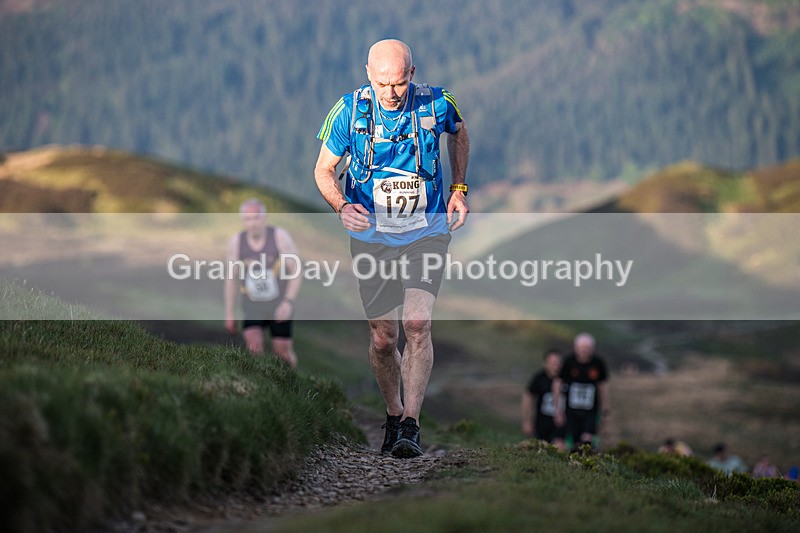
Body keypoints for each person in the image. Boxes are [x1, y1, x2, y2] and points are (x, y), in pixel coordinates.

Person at [314, 39, 470, 458]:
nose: (391, 92)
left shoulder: (437, 103)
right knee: (384, 338)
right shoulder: (348, 111)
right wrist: (342, 205)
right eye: (383, 83)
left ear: (412, 75)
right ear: (368, 74)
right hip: (372, 238)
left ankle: (411, 426)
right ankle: (393, 413)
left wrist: (457, 188)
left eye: (399, 83)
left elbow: (459, 132)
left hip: (427, 231)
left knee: (417, 324)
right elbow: (324, 170)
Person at [224, 199, 301, 367]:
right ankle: (261, 389)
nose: (252, 223)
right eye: (248, 219)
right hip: (251, 303)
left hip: (278, 303)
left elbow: (296, 271)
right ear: (242, 220)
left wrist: (288, 302)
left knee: (283, 354)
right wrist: (230, 312)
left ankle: (294, 389)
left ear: (264, 218)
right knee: (254, 350)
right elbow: (232, 279)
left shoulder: (280, 237)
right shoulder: (236, 242)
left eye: (256, 218)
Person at [552, 333, 609, 451]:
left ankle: (587, 462)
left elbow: (602, 386)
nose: (584, 351)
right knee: (573, 441)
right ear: (575, 348)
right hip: (571, 410)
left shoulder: (598, 363)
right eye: (581, 348)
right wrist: (557, 408)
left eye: (587, 349)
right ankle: (573, 464)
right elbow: (557, 383)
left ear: (592, 349)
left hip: (590, 410)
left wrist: (605, 408)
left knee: (587, 439)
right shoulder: (569, 362)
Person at [521, 349, 567, 450]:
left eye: (558, 363)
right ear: (545, 364)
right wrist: (527, 421)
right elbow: (528, 397)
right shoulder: (539, 379)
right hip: (542, 423)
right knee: (541, 448)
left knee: (560, 447)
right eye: (553, 363)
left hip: (562, 424)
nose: (556, 366)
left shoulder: (568, 377)